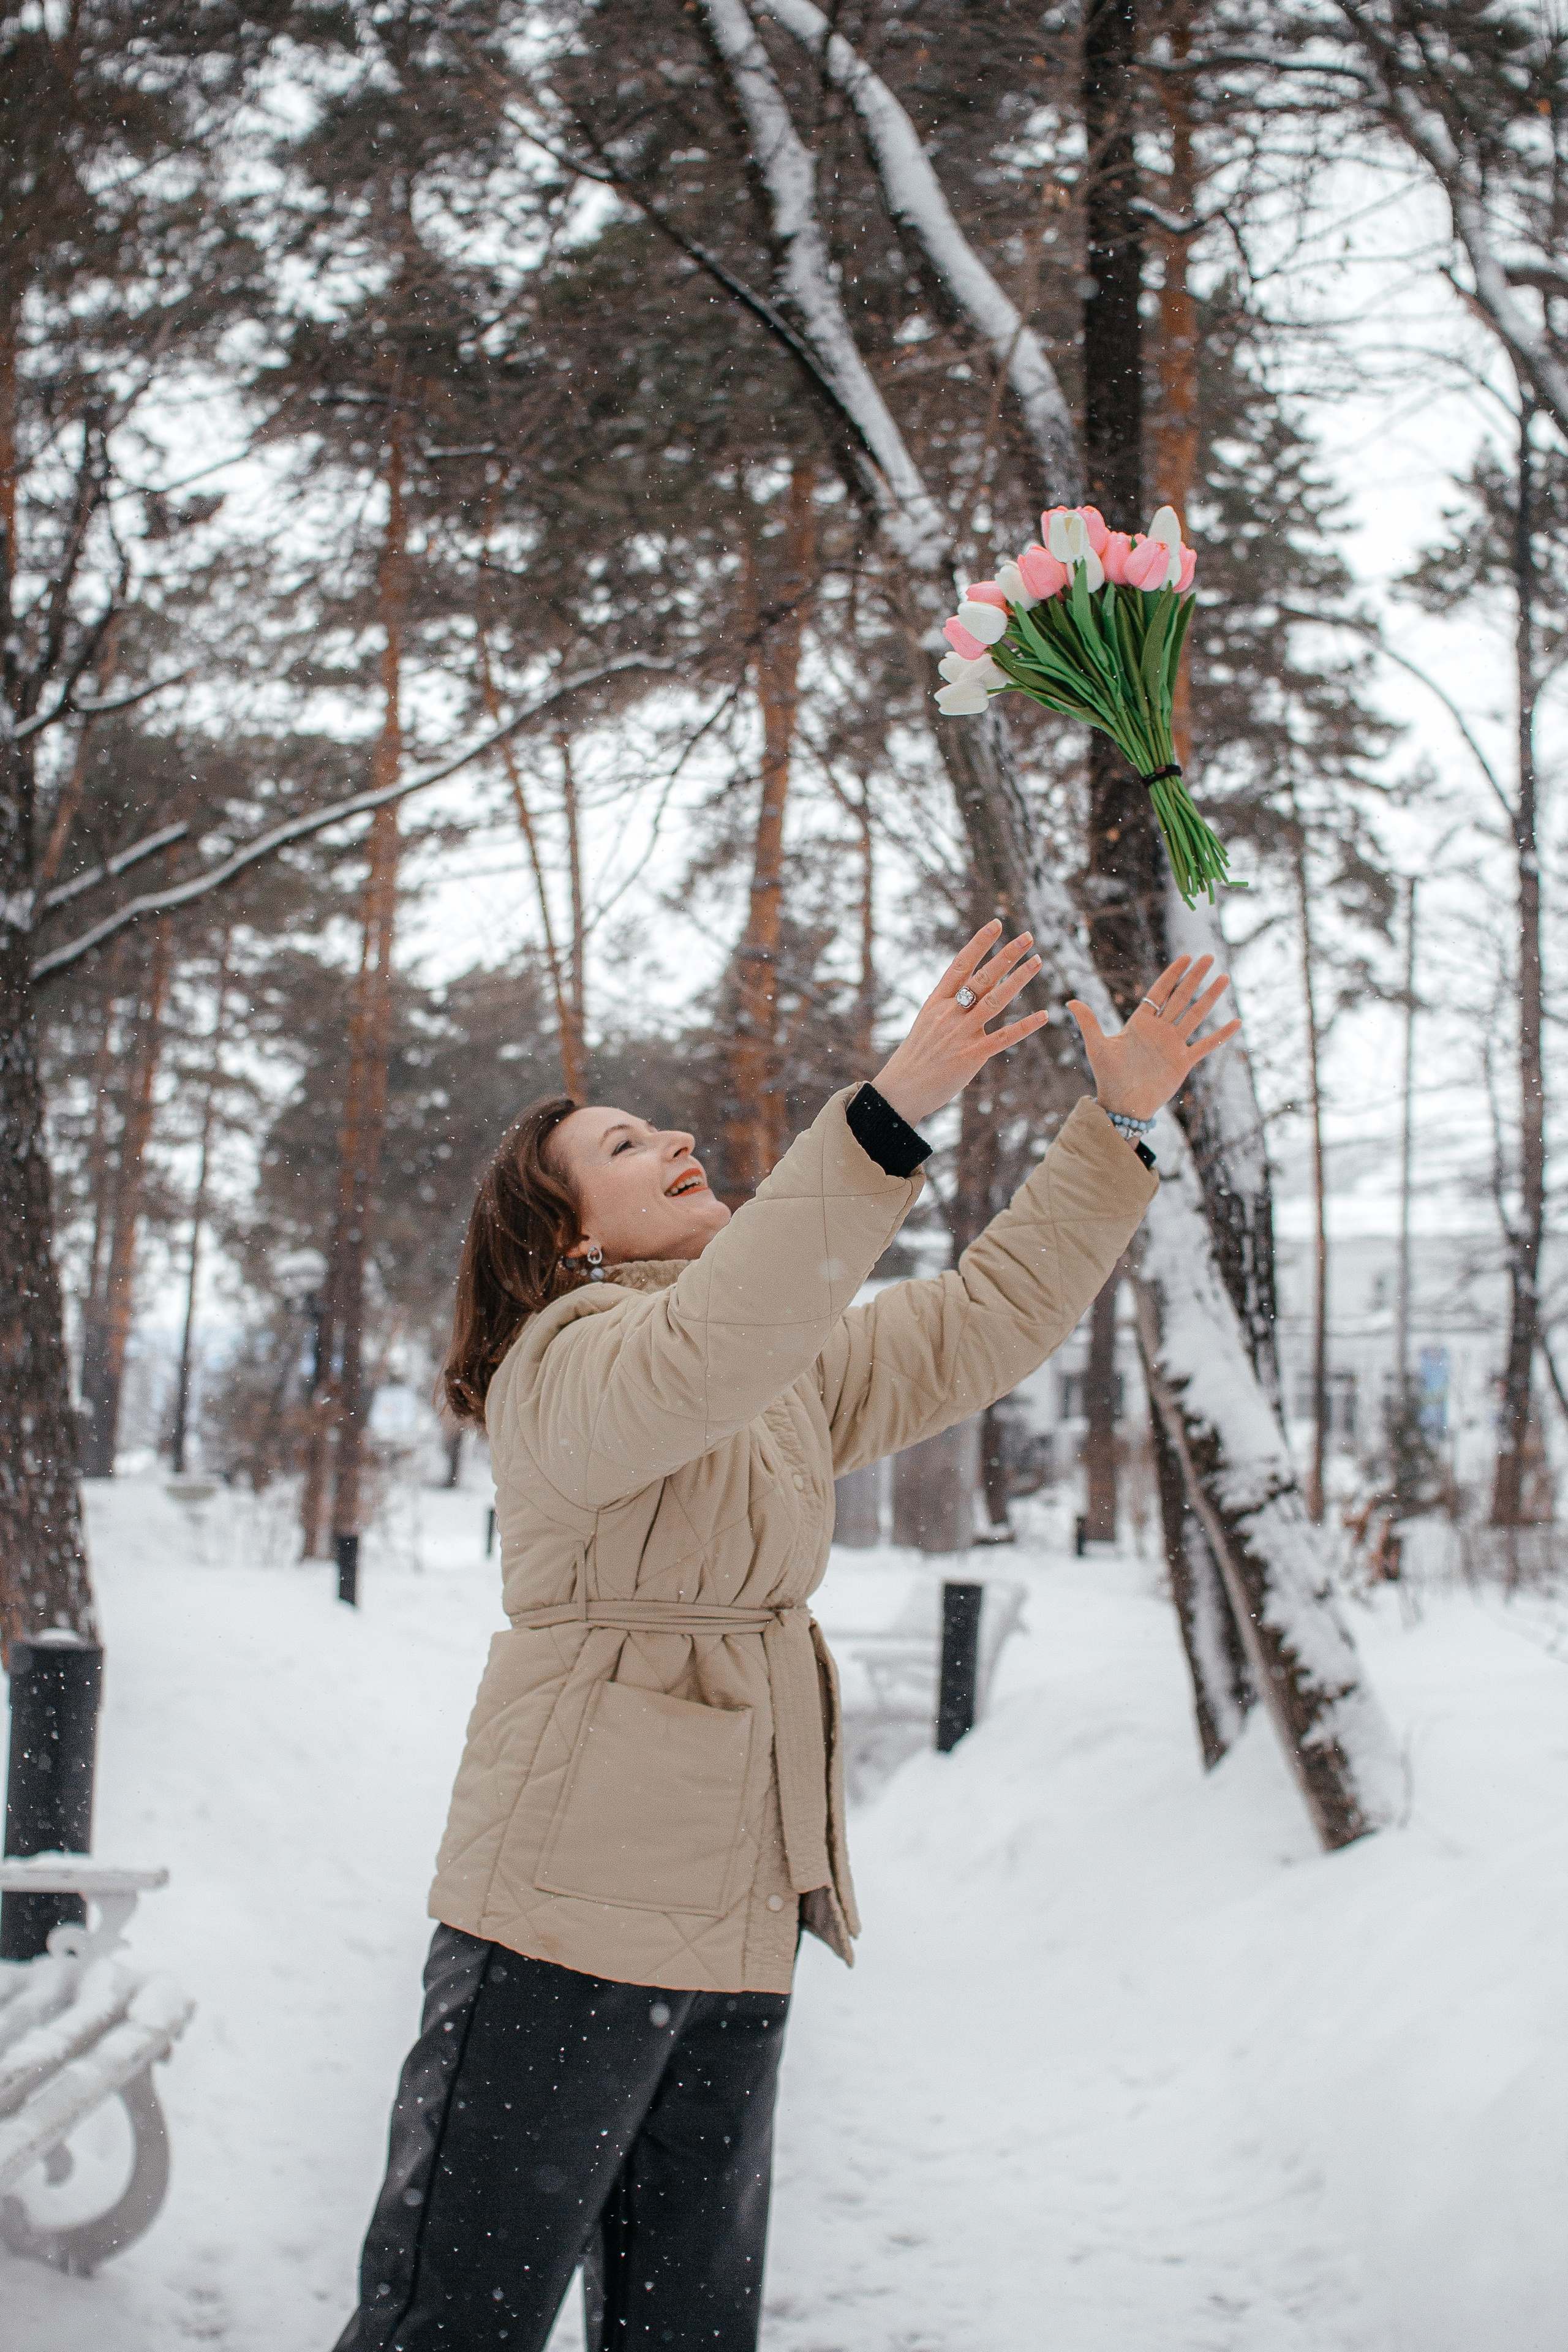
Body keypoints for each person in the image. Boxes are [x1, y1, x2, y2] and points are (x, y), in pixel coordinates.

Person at [334, 925, 1238, 2352]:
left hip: (739, 1928)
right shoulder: (557, 1367)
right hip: (560, 1925)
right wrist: (892, 1107)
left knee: (686, 2327)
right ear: (568, 1239)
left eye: (660, 1126)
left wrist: (1115, 1123)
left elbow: (981, 1320)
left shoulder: (767, 1370)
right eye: (626, 1145)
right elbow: (705, 1350)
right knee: (452, 2324)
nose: (676, 1140)